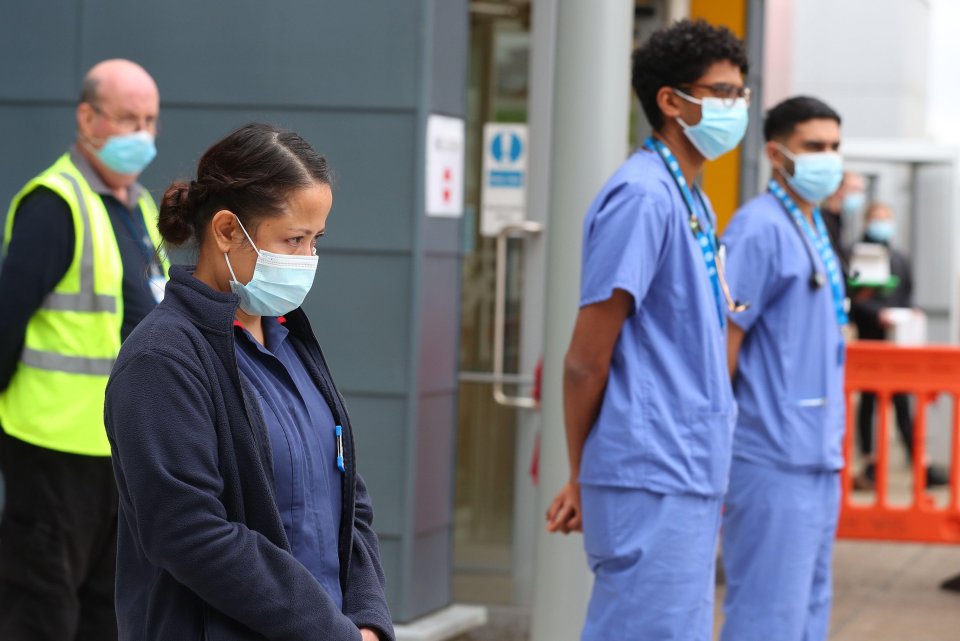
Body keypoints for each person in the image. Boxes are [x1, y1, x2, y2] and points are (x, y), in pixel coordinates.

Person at [104, 123, 393, 641]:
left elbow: (349, 499)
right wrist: (330, 631)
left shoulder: (292, 344)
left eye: (315, 240)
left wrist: (368, 619)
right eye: (293, 239)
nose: (307, 259)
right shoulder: (162, 358)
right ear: (227, 231)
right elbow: (189, 532)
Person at [544, 19, 747, 640]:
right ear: (670, 101)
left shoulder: (692, 197)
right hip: (650, 465)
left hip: (681, 465)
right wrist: (582, 471)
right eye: (721, 93)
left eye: (741, 93)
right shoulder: (642, 197)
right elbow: (585, 359)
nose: (736, 107)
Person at [0, 59, 166, 640]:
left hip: (119, 452)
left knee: (108, 611)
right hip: (53, 450)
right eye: (126, 119)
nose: (140, 134)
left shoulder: (139, 208)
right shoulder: (55, 205)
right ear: (87, 118)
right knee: (41, 610)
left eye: (149, 120)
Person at [721, 96, 848, 641]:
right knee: (767, 617)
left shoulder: (813, 228)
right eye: (813, 147)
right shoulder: (758, 229)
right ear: (776, 154)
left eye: (835, 147)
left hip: (817, 456)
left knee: (807, 613)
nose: (829, 159)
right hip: (771, 456)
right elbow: (722, 344)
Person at [849, 202, 948, 489]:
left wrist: (910, 312)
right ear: (867, 221)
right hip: (871, 343)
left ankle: (919, 463)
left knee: (903, 404)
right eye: (877, 219)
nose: (882, 224)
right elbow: (855, 299)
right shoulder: (860, 255)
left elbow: (906, 295)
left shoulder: (899, 257)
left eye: (886, 219)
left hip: (898, 345)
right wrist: (877, 314)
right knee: (868, 404)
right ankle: (869, 464)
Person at [821, 170, 866, 258]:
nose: (858, 195)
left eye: (861, 191)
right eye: (854, 189)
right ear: (836, 189)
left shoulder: (840, 220)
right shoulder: (821, 221)